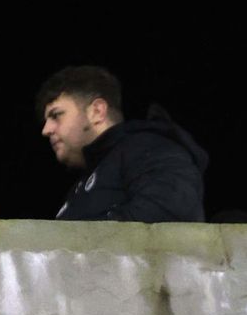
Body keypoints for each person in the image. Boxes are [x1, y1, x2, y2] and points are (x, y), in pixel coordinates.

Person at [37, 65, 208, 224]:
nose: (46, 130)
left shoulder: (148, 148)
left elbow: (168, 217)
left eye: (56, 115)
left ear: (97, 111)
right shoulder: (81, 185)